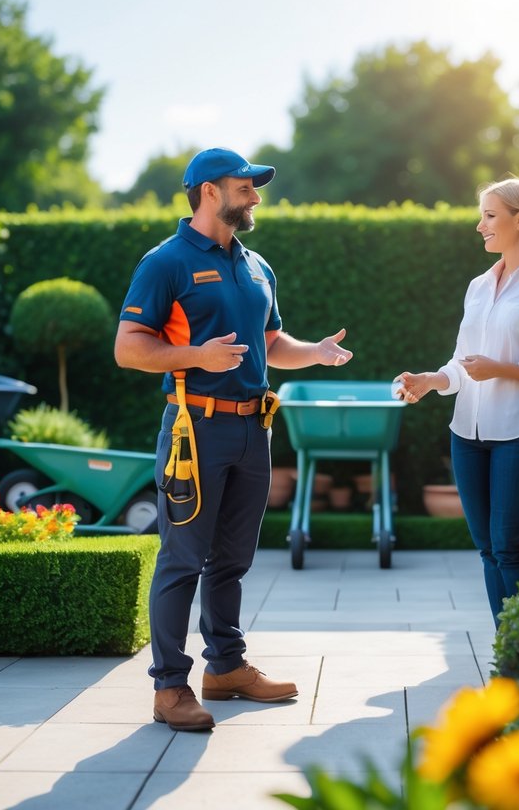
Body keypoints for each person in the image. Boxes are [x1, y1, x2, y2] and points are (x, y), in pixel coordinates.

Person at [114, 147, 353, 731]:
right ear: (209, 191)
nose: (255, 194)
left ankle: (225, 668)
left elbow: (271, 344)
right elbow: (128, 347)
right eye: (244, 185)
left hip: (253, 427)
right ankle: (170, 689)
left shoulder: (256, 266)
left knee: (233, 561)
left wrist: (314, 354)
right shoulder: (165, 262)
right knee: (182, 560)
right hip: (193, 431)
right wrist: (198, 355)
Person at [394, 178, 519, 625]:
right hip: (467, 433)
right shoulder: (478, 286)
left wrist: (503, 369)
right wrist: (430, 380)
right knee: (487, 549)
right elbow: (462, 364)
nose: (480, 226)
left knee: (509, 546)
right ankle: (510, 647)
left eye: (489, 215)